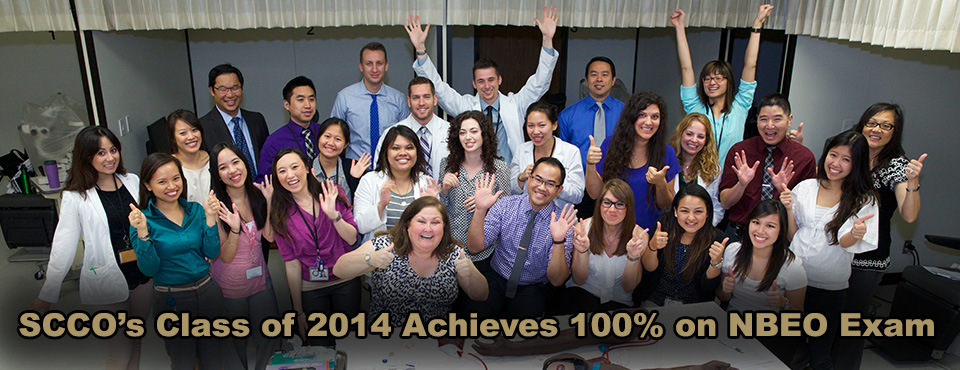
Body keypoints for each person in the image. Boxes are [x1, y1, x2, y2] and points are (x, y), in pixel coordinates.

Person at [30, 126, 152, 370]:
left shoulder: (132, 181)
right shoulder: (76, 196)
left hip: (141, 276)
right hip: (105, 278)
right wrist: (48, 291)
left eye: (113, 150)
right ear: (86, 157)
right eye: (101, 153)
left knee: (135, 341)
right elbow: (63, 245)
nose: (110, 158)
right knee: (120, 352)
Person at [405, 6, 559, 164]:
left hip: (512, 178)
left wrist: (547, 40)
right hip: (476, 176)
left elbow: (540, 82)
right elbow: (439, 89)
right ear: (474, 84)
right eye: (481, 81)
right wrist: (420, 49)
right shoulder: (466, 107)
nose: (487, 86)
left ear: (499, 80)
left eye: (491, 80)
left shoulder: (516, 104)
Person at [836, 103, 927, 369]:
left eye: (886, 125)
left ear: (894, 132)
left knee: (850, 324)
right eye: (872, 123)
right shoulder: (849, 154)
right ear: (862, 124)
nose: (877, 129)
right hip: (834, 250)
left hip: (867, 258)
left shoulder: (895, 165)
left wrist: (912, 183)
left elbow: (908, 215)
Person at [783, 130, 878, 370]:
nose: (835, 163)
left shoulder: (863, 199)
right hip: (793, 279)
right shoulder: (806, 187)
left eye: (846, 159)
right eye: (833, 155)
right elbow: (793, 234)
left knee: (819, 353)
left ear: (856, 165)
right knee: (785, 346)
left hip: (828, 286)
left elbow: (845, 244)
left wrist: (854, 234)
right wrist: (787, 208)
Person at [128, 153, 222, 370]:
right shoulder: (142, 220)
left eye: (176, 178)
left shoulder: (195, 210)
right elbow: (149, 269)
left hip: (208, 292)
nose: (171, 186)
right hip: (173, 300)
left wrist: (210, 218)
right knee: (183, 363)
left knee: (213, 360)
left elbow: (212, 251)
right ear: (148, 185)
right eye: (162, 181)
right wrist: (143, 233)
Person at [333, 197, 488, 328]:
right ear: (408, 225)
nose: (428, 228)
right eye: (421, 221)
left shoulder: (453, 253)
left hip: (436, 342)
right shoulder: (386, 245)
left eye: (435, 222)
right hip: (385, 338)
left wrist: (472, 273)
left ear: (444, 228)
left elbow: (480, 296)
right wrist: (369, 259)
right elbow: (339, 269)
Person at [465, 157, 577, 318]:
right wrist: (480, 210)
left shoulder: (563, 223)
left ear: (559, 190)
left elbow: (557, 280)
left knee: (524, 334)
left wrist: (558, 240)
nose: (542, 187)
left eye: (551, 184)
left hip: (532, 287)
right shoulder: (506, 205)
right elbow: (475, 248)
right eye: (538, 179)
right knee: (473, 319)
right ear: (529, 178)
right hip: (496, 278)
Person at [269, 148, 359, 347]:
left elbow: (352, 239)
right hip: (311, 287)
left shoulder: (331, 191)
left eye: (295, 167)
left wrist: (333, 215)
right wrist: (298, 311)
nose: (290, 175)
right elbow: (291, 264)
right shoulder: (279, 212)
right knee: (319, 346)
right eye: (282, 171)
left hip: (345, 279)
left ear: (308, 169)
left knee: (351, 343)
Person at [208, 143, 281, 370]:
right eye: (223, 167)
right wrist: (236, 229)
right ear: (217, 175)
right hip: (229, 288)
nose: (232, 170)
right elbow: (225, 256)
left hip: (261, 282)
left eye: (236, 162)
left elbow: (268, 236)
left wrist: (269, 201)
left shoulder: (258, 193)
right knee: (234, 347)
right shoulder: (216, 205)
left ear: (245, 163)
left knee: (270, 338)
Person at [671, 4, 773, 162]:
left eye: (718, 78)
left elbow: (750, 65)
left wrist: (757, 25)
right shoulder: (695, 108)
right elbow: (686, 67)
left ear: (728, 82)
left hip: (729, 179)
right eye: (707, 78)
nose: (712, 82)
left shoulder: (740, 106)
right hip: (698, 177)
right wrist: (679, 27)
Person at [717, 199, 807, 368]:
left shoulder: (792, 266)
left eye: (770, 226)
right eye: (756, 222)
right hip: (733, 327)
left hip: (770, 334)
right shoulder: (733, 251)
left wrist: (783, 304)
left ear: (781, 231)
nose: (760, 231)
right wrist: (725, 290)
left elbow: (799, 317)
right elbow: (722, 297)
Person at [718, 94, 816, 241]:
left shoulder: (803, 158)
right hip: (739, 235)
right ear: (757, 120)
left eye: (777, 119)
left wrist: (784, 193)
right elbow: (725, 203)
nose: (769, 126)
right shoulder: (740, 151)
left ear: (789, 120)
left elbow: (807, 211)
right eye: (763, 119)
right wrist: (741, 185)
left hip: (780, 240)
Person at [585, 91, 680, 231]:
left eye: (655, 117)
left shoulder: (667, 153)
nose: (648, 122)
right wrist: (590, 164)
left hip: (648, 235)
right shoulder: (610, 145)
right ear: (631, 117)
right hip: (611, 232)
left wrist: (660, 184)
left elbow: (666, 205)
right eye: (642, 115)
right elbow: (595, 193)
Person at [438, 110, 511, 268]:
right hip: (450, 249)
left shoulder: (500, 168)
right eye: (462, 132)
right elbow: (438, 209)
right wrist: (443, 191)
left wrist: (488, 204)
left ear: (484, 135)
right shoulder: (447, 165)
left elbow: (507, 212)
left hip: (484, 251)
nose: (468, 137)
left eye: (474, 131)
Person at [565, 179, 647, 312]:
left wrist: (633, 257)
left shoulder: (639, 235)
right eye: (607, 203)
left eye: (620, 204)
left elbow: (628, 287)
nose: (612, 209)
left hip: (619, 301)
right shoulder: (583, 228)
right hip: (583, 294)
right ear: (599, 205)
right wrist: (582, 251)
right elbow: (579, 280)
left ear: (628, 207)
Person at [641, 184, 725, 306]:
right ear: (675, 211)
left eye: (698, 211)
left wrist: (716, 263)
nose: (691, 218)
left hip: (696, 306)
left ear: (707, 213)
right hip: (657, 299)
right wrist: (652, 247)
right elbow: (649, 270)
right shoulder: (663, 226)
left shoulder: (717, 239)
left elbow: (708, 287)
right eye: (684, 211)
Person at [355, 125, 439, 242]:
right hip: (380, 256)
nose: (403, 153)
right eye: (395, 148)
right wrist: (381, 205)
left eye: (409, 148)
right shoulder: (369, 180)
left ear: (417, 152)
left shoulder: (426, 183)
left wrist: (429, 206)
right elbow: (360, 227)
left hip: (417, 255)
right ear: (386, 152)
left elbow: (437, 229)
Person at [331, 42, 410, 164]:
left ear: (386, 66)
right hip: (355, 169)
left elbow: (406, 137)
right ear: (361, 66)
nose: (374, 69)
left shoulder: (398, 99)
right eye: (369, 64)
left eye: (379, 63)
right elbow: (334, 136)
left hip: (390, 168)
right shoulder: (345, 97)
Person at [199, 64, 270, 177]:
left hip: (260, 191)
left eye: (235, 88)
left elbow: (267, 158)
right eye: (223, 89)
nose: (230, 94)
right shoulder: (202, 128)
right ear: (212, 91)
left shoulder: (257, 120)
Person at [511, 101, 584, 210]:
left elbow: (578, 195)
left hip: (560, 218)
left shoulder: (571, 152)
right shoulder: (521, 150)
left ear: (554, 125)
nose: (536, 131)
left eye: (542, 125)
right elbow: (511, 189)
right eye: (530, 126)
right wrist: (521, 178)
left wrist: (554, 183)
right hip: (526, 216)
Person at [373, 76, 450, 178]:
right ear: (409, 101)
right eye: (416, 98)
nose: (421, 103)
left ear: (435, 99)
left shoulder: (450, 131)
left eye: (426, 97)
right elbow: (380, 174)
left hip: (442, 193)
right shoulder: (391, 133)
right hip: (402, 193)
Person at [558, 56, 625, 170]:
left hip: (617, 182)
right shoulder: (567, 116)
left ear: (613, 80)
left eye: (604, 74)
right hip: (579, 182)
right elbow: (560, 155)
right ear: (587, 80)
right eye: (594, 74)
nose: (599, 79)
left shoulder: (626, 113)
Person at [258, 76, 322, 181]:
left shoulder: (324, 133)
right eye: (300, 100)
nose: (308, 105)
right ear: (287, 105)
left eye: (311, 99)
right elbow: (264, 180)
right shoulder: (274, 141)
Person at [669, 113, 723, 225]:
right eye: (689, 134)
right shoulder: (666, 161)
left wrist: (703, 230)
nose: (694, 140)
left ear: (706, 140)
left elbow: (716, 206)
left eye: (700, 136)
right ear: (680, 134)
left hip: (700, 231)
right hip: (669, 228)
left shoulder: (714, 169)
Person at [311, 117, 367, 202]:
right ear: (319, 138)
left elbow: (361, 205)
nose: (331, 143)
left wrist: (355, 179)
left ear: (345, 144)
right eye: (327, 136)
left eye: (338, 139)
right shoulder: (306, 169)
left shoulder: (353, 167)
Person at [167, 109, 211, 203]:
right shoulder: (169, 167)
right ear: (173, 138)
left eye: (194, 130)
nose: (191, 137)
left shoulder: (214, 159)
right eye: (183, 133)